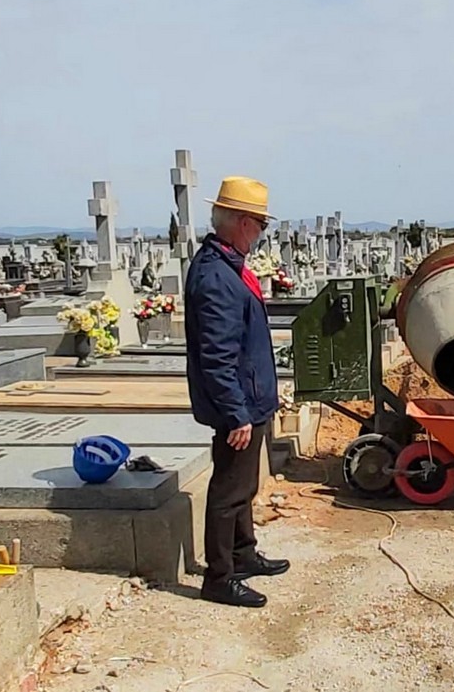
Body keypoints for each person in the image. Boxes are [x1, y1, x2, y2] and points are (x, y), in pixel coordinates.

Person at [185, 176, 289, 608]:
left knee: (243, 486)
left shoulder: (228, 265)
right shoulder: (216, 277)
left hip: (251, 397)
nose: (262, 234)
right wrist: (236, 412)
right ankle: (220, 576)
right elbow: (217, 356)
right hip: (239, 404)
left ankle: (243, 554)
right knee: (229, 492)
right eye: (261, 226)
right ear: (243, 223)